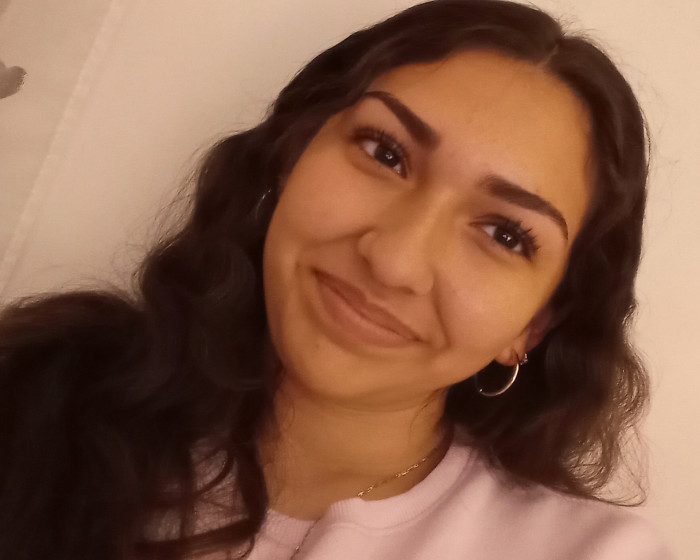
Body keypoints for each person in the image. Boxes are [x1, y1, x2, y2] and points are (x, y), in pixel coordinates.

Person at [0, 0, 673, 559]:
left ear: (535, 324)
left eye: (504, 234)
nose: (394, 261)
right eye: (385, 153)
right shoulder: (36, 400)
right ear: (291, 154)